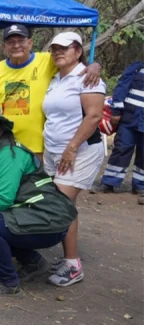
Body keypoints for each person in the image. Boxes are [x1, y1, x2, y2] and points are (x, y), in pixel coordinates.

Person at [0, 102, 77, 297]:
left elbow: (3, 198)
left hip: (46, 219)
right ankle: (34, 263)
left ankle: (7, 282)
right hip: (28, 213)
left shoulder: (8, 152)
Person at [41, 32, 106, 287]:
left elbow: (93, 116)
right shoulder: (56, 78)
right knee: (64, 204)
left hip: (80, 151)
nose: (58, 52)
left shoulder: (87, 78)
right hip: (54, 151)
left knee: (60, 204)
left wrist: (72, 147)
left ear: (78, 51)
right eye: (54, 48)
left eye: (64, 48)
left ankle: (72, 264)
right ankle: (69, 258)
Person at [0, 24, 102, 155]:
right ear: (4, 46)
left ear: (30, 43)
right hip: (5, 143)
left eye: (21, 41)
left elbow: (72, 60)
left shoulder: (47, 60)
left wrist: (95, 65)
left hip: (40, 146)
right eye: (11, 42)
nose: (16, 45)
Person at [97, 60, 144, 199]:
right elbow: (122, 87)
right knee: (121, 149)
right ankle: (109, 182)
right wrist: (116, 111)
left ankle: (140, 186)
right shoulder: (136, 68)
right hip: (129, 119)